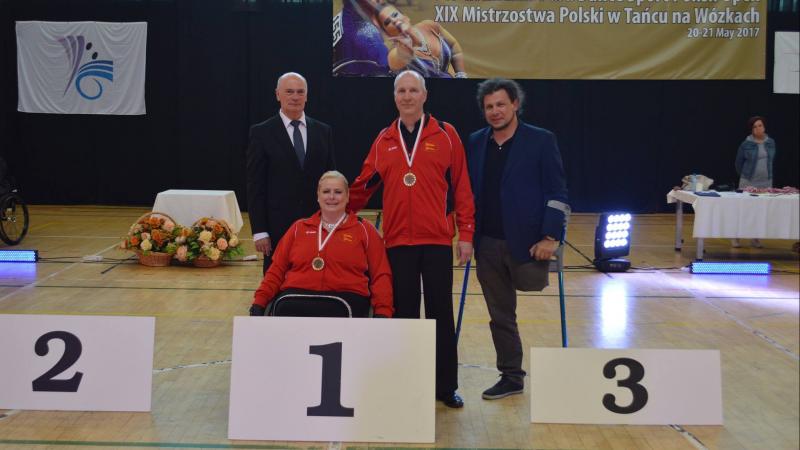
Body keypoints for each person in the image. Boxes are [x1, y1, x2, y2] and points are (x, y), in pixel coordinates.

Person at [349, 70, 475, 408]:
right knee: (402, 313)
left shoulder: (447, 135)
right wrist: (338, 209)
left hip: (436, 241)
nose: (407, 96)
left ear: (424, 95)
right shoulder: (384, 139)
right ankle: (404, 381)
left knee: (440, 314)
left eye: (413, 90)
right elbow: (364, 183)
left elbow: (462, 187)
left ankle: (444, 386)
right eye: (401, 91)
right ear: (394, 97)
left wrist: (466, 235)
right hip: (397, 243)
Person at [465, 79, 569, 400]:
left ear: (515, 105)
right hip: (488, 243)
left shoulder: (540, 140)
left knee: (524, 302)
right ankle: (511, 376)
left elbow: (557, 192)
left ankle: (569, 375)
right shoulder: (475, 142)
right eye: (489, 107)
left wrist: (551, 236)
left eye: (500, 104)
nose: (495, 111)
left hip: (528, 244)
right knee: (500, 315)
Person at [249, 171, 393, 318]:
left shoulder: (365, 230)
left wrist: (383, 311)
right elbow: (276, 270)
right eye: (326, 191)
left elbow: (381, 275)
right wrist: (259, 302)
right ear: (318, 196)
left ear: (347, 196)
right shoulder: (298, 228)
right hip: (295, 300)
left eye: (338, 192)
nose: (331, 197)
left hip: (346, 302)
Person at [246, 72, 336, 273]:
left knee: (317, 276)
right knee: (276, 281)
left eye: (300, 92)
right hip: (277, 227)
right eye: (289, 92)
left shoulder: (323, 131)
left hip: (317, 223)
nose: (295, 97)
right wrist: (260, 231)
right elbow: (255, 186)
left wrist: (334, 220)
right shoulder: (261, 133)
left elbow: (332, 182)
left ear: (307, 95)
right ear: (278, 94)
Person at [361, 1, 466, 78]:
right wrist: (404, 51)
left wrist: (461, 75)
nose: (394, 20)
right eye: (387, 22)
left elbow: (453, 46)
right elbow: (397, 60)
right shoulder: (394, 53)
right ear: (387, 33)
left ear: (405, 16)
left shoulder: (430, 26)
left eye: (394, 14)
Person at [733, 115, 776, 248]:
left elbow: (771, 160)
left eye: (760, 125)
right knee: (743, 211)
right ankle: (736, 237)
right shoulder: (746, 144)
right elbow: (738, 163)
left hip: (766, 182)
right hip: (748, 181)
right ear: (751, 130)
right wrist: (745, 176)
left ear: (764, 127)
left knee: (760, 212)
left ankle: (755, 238)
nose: (758, 129)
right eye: (755, 127)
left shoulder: (771, 142)